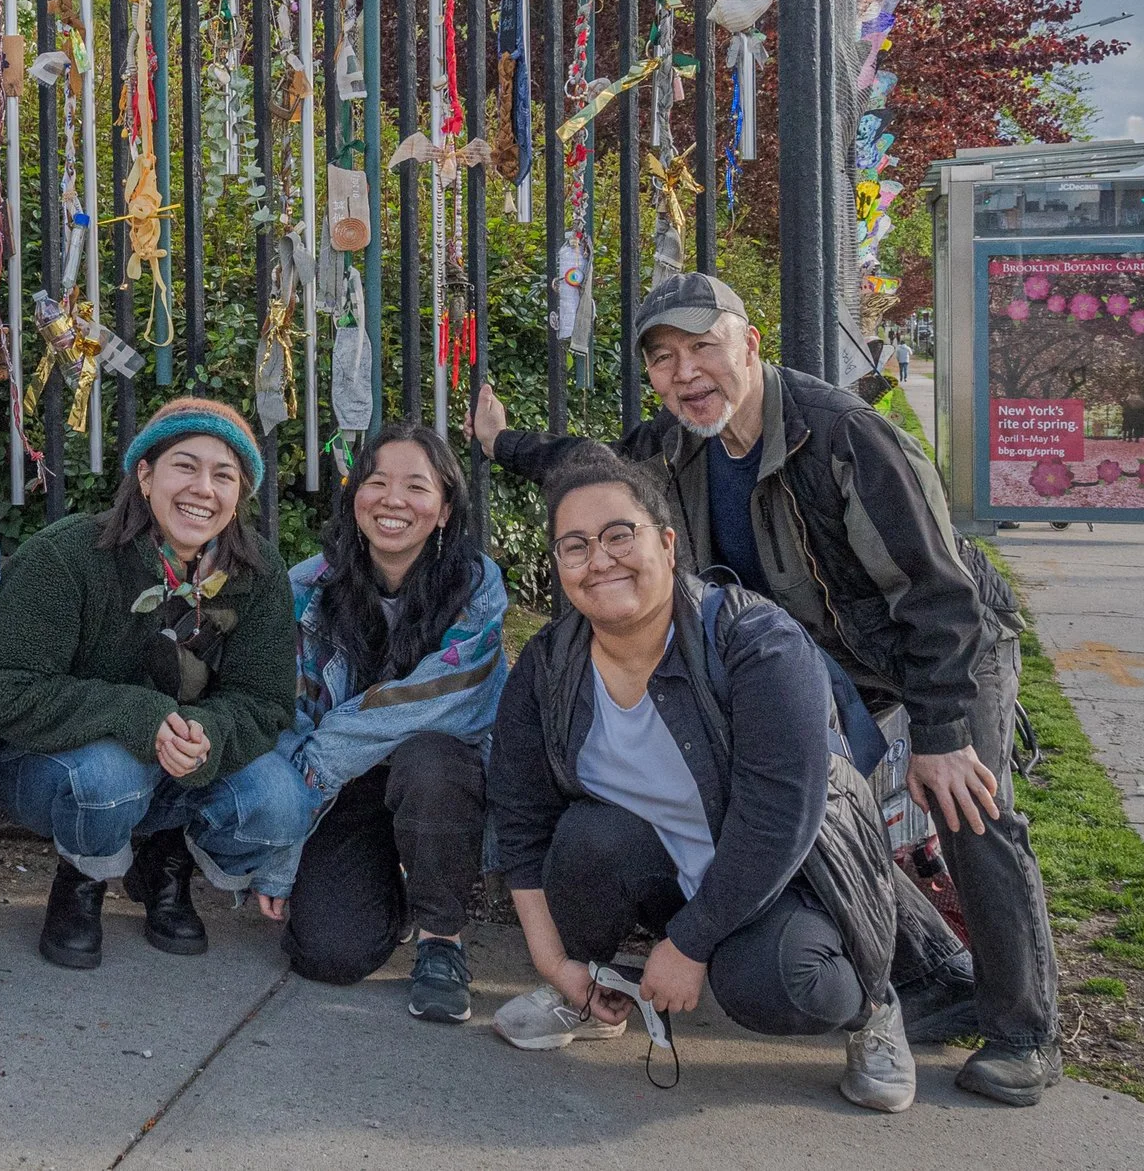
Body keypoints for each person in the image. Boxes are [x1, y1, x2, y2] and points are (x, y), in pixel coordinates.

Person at [471, 272, 1057, 1106]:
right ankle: (932, 971)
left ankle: (1025, 1027)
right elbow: (584, 465)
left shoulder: (847, 436)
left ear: (749, 344)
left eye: (703, 346)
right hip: (818, 658)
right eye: (664, 359)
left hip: (937, 639)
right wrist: (500, 443)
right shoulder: (676, 444)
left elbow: (938, 592)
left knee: (965, 800)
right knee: (825, 808)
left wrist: (941, 729)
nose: (685, 372)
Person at [489, 448, 915, 1113]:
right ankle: (595, 992)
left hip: (790, 875)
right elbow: (518, 820)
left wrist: (690, 944)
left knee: (774, 982)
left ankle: (875, 1009)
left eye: (618, 535)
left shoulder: (757, 642)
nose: (599, 558)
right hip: (665, 866)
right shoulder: (549, 664)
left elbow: (778, 822)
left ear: (666, 542)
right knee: (582, 841)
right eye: (575, 546)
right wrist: (554, 963)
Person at [0, 397, 298, 970]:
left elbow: (266, 701)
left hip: (180, 766)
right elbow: (8, 691)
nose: (204, 488)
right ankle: (82, 875)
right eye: (185, 465)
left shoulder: (260, 574)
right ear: (145, 475)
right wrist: (139, 717)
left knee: (281, 800)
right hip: (54, 766)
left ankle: (164, 860)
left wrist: (206, 732)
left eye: (224, 475)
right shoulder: (66, 554)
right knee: (110, 774)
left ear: (238, 497)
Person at [262, 425, 509, 1023]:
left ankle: (441, 939)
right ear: (354, 497)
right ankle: (392, 890)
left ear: (445, 507)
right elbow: (286, 719)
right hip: (342, 789)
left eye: (416, 486)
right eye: (376, 482)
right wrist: (279, 845)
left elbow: (451, 699)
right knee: (326, 954)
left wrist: (319, 761)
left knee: (430, 758)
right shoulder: (306, 588)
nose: (393, 500)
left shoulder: (476, 586)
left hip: (438, 784)